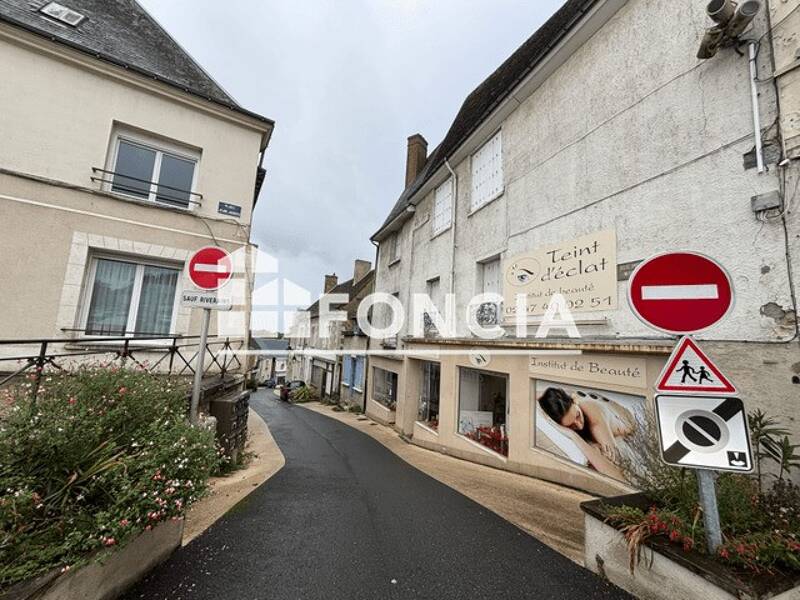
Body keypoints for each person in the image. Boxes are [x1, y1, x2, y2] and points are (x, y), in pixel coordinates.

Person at [538, 387, 635, 480]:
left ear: (574, 401)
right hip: (592, 401)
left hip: (624, 418)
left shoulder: (596, 424)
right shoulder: (572, 406)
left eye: (577, 415)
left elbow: (618, 476)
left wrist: (574, 435)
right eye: (571, 426)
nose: (579, 425)